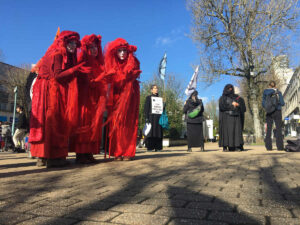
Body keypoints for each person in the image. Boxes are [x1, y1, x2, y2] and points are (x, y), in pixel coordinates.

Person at [29, 30, 91, 167]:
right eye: (70, 42)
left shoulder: (63, 55)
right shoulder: (57, 54)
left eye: (75, 43)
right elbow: (57, 75)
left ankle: (45, 156)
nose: (73, 45)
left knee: (50, 122)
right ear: (63, 42)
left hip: (51, 90)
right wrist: (76, 69)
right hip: (51, 91)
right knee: (55, 121)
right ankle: (53, 157)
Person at [69, 34, 106, 164]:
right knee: (84, 124)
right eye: (91, 47)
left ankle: (89, 152)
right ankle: (81, 154)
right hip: (85, 99)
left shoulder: (98, 63)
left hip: (95, 99)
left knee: (93, 126)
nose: (94, 49)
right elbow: (86, 82)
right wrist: (101, 78)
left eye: (96, 47)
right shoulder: (82, 61)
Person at [105, 38, 141, 161]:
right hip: (117, 95)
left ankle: (127, 151)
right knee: (116, 123)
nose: (122, 53)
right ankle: (117, 152)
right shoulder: (111, 63)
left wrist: (130, 76)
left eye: (124, 50)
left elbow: (135, 74)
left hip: (130, 95)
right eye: (119, 51)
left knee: (128, 123)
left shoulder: (134, 61)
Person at [219, 84, 244, 151]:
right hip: (226, 117)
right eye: (228, 88)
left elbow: (242, 107)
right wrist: (231, 105)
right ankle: (225, 146)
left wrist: (237, 105)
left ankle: (236, 146)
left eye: (231, 88)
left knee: (236, 132)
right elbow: (222, 107)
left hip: (235, 116)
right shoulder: (222, 98)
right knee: (227, 132)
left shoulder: (236, 97)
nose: (230, 90)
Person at [262, 81, 285, 150]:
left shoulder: (265, 92)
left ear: (269, 85)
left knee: (268, 129)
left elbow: (263, 103)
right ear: (275, 85)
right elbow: (282, 103)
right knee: (278, 129)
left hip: (269, 112)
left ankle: (268, 147)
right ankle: (280, 147)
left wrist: (267, 107)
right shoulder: (278, 92)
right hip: (277, 111)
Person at [144, 85, 163, 152]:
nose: (156, 89)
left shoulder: (160, 98)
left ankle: (158, 147)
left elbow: (162, 109)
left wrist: (164, 105)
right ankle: (150, 147)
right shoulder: (148, 98)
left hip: (159, 118)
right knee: (151, 132)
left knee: (159, 132)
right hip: (151, 118)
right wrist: (146, 117)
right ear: (151, 90)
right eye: (155, 88)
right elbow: (146, 108)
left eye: (157, 88)